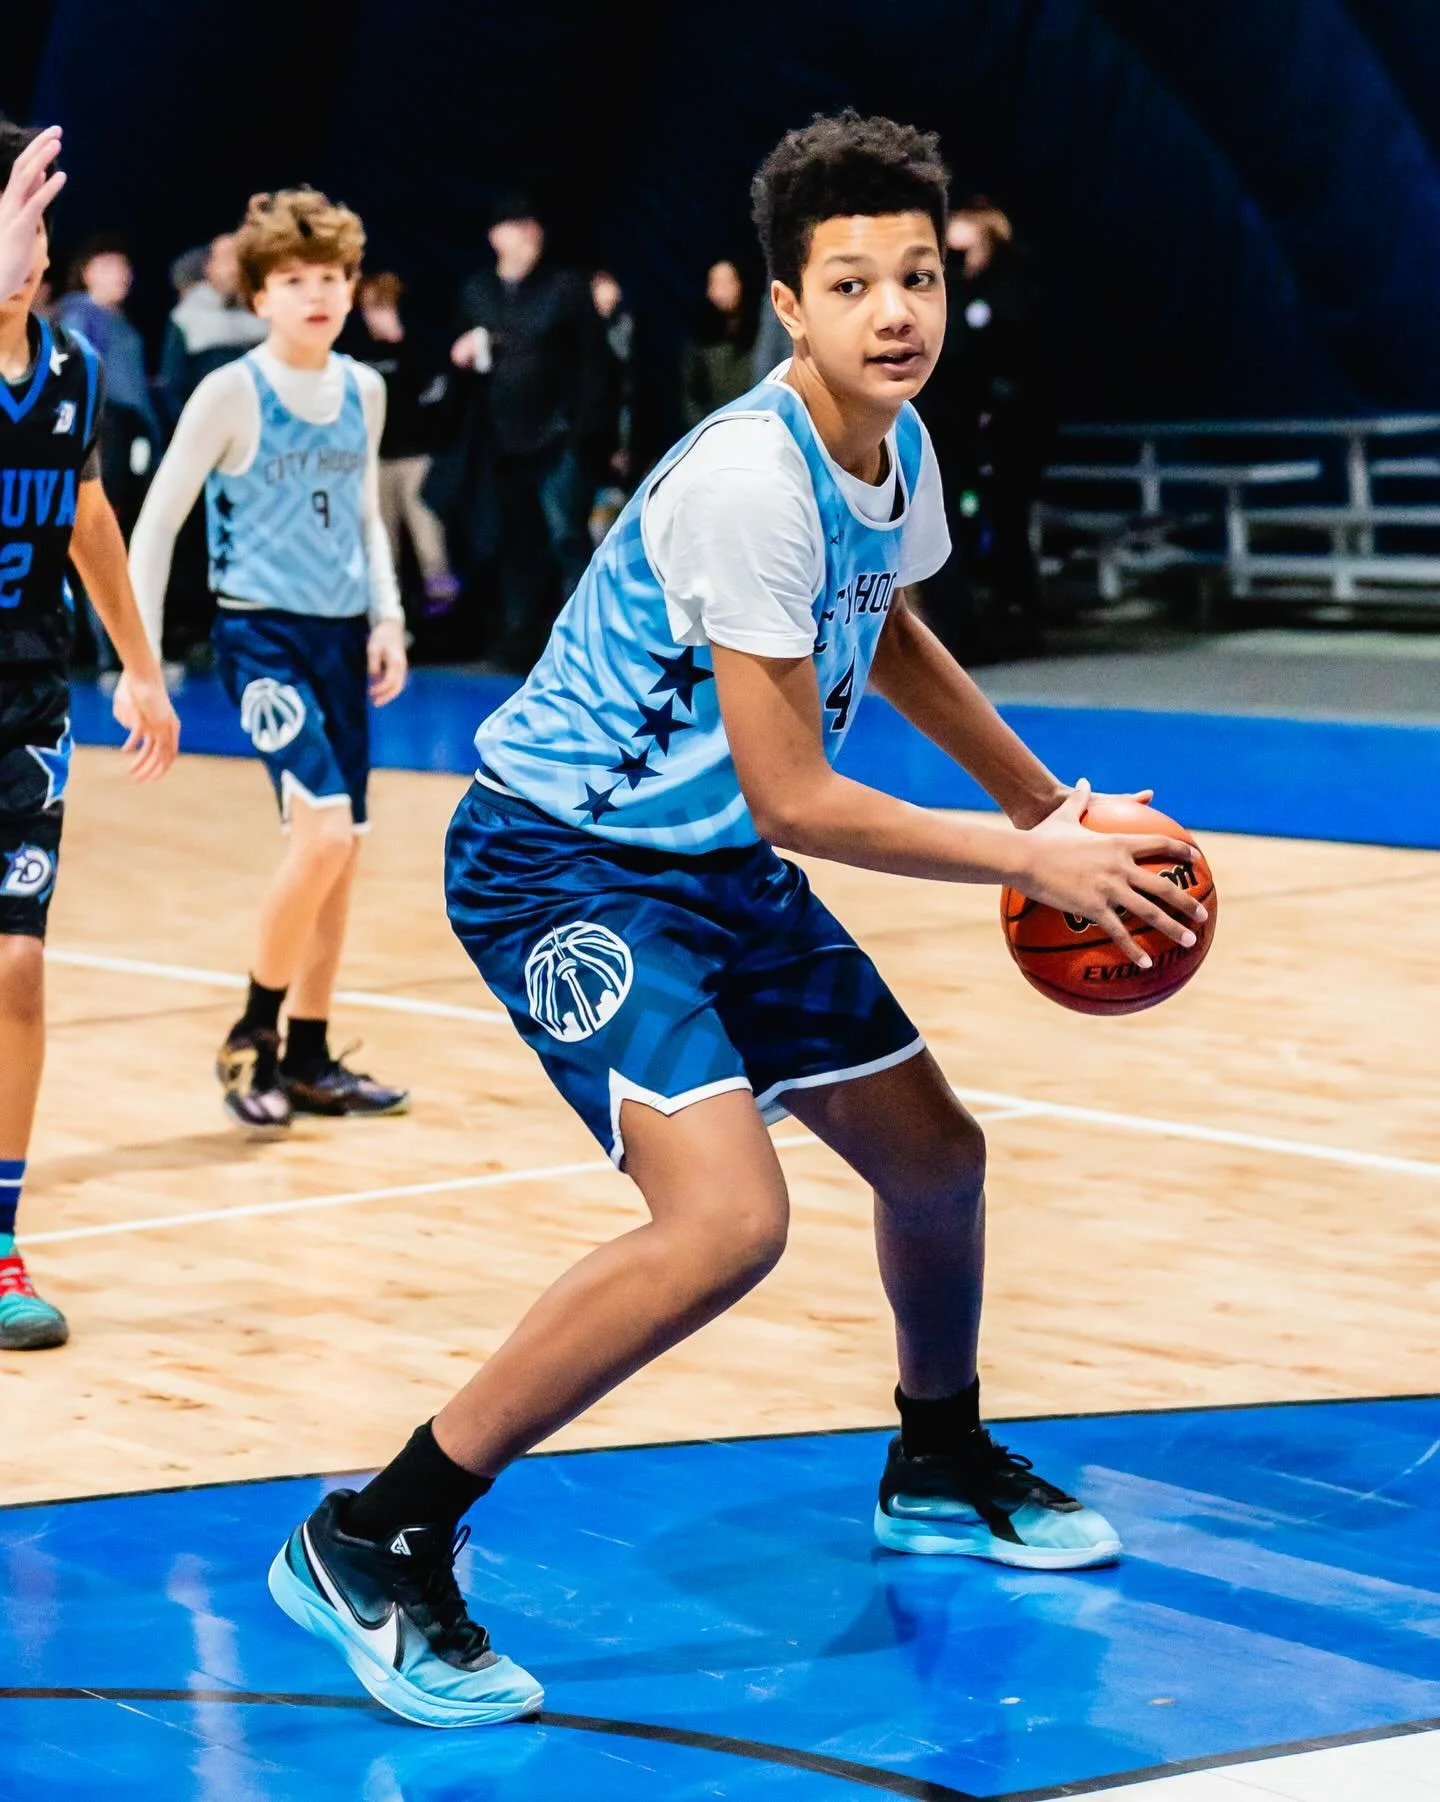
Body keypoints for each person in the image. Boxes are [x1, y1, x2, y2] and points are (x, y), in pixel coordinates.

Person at [267, 112, 1206, 1729]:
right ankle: (376, 1531)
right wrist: (1023, 861)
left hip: (703, 864)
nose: (898, 309)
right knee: (725, 1222)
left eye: (916, 273)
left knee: (936, 1155)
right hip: (560, 861)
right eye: (854, 284)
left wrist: (1044, 799)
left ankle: (937, 1452)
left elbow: (888, 625)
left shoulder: (892, 448)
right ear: (789, 304)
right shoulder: (749, 480)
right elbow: (799, 801)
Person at [129, 188, 410, 1132]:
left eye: (329, 277)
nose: (317, 294)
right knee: (323, 831)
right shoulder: (229, 391)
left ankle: (312, 1053)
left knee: (344, 854)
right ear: (259, 296)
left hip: (340, 637)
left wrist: (390, 619)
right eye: (295, 281)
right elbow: (158, 520)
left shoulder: (364, 390)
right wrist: (137, 657)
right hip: (261, 640)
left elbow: (369, 517)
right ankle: (253, 1033)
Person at [0, 122, 179, 1349]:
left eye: (30, 226)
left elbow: (89, 516)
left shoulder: (69, 369)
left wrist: (141, 664)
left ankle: (2, 1241)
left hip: (23, 705)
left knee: (13, 964)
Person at [451, 197, 607, 668]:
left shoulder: (565, 287)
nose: (529, 237)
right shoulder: (478, 290)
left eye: (533, 228)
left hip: (557, 439)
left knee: (566, 539)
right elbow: (460, 356)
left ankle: (587, 648)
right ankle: (520, 641)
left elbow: (595, 366)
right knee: (514, 544)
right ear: (497, 235)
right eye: (518, 227)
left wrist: (582, 435)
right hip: (502, 442)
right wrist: (462, 353)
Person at [56, 238, 163, 671]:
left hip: (123, 438)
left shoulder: (119, 322)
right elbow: (78, 387)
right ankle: (108, 653)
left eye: (124, 267)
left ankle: (106, 651)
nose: (121, 275)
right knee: (98, 541)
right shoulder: (81, 317)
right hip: (102, 442)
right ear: (87, 272)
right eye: (108, 266)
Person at [351, 271, 459, 618]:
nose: (374, 316)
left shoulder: (418, 348)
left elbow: (435, 396)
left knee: (430, 543)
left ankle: (443, 619)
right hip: (375, 461)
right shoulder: (356, 352)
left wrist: (399, 339)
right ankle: (389, 620)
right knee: (383, 547)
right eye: (368, 308)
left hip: (416, 459)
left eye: (381, 307)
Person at [156, 232, 269, 428]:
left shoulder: (268, 315)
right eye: (226, 259)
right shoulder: (187, 317)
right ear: (209, 267)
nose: (233, 267)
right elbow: (172, 386)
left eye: (240, 259)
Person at [680, 257, 758, 426]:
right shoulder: (700, 343)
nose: (721, 291)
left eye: (728, 282)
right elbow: (692, 398)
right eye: (715, 283)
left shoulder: (760, 337)